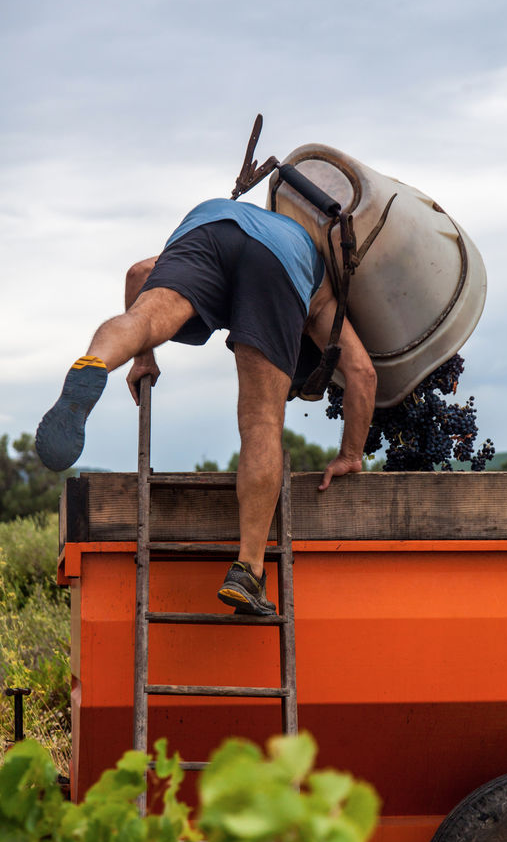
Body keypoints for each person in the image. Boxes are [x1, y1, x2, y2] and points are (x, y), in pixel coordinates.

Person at [36, 198, 377, 614]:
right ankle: (247, 570)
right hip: (280, 264)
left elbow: (138, 274)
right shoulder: (319, 293)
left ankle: (96, 361)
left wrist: (144, 358)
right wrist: (350, 455)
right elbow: (362, 373)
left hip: (207, 225)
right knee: (261, 423)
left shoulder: (238, 216)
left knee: (146, 319)